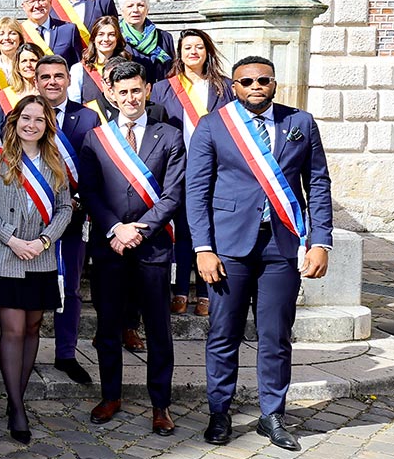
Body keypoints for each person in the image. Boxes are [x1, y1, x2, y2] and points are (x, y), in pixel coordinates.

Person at [189, 56, 333, 452]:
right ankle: (220, 412)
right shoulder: (213, 125)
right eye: (247, 81)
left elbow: (318, 183)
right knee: (224, 334)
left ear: (274, 83)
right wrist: (203, 248)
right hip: (228, 247)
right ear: (234, 87)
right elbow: (196, 191)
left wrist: (320, 241)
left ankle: (272, 415)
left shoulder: (300, 123)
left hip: (281, 245)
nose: (256, 86)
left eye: (263, 80)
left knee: (276, 336)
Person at [77, 59, 184, 436]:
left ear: (147, 90)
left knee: (158, 330)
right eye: (122, 92)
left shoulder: (169, 136)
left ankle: (161, 404)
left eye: (136, 90)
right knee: (108, 326)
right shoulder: (96, 138)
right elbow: (89, 191)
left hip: (153, 248)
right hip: (110, 246)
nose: (130, 98)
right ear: (111, 94)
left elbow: (174, 194)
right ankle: (111, 396)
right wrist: (116, 228)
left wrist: (141, 230)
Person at [0, 95, 72, 445]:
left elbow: (65, 209)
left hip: (40, 257)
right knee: (13, 329)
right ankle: (17, 408)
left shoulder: (55, 161)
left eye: (39, 120)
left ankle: (18, 392)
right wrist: (12, 240)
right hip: (5, 256)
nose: (32, 125)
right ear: (14, 122)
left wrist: (44, 241)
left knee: (32, 327)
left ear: (47, 126)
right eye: (26, 118)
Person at [152, 29, 234, 317]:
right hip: (178, 168)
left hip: (214, 168)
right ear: (180, 53)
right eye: (187, 47)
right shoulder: (163, 88)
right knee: (184, 230)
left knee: (209, 227)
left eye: (199, 47)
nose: (193, 52)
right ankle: (180, 290)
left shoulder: (225, 87)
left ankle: (205, 292)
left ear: (207, 51)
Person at [33, 54, 102, 387]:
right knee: (29, 287)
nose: (52, 82)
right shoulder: (25, 115)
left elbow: (94, 166)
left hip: (73, 215)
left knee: (70, 288)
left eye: (58, 76)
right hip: (31, 220)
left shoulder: (87, 117)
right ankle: (26, 352)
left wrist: (78, 200)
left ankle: (66, 354)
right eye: (45, 76)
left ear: (68, 79)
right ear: (35, 81)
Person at [68, 16, 127, 122]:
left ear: (118, 39)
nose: (106, 39)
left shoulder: (128, 67)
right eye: (101, 34)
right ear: (93, 39)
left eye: (111, 34)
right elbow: (74, 105)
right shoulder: (78, 69)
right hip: (91, 125)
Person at [118, 0, 174, 84]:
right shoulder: (116, 37)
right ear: (122, 11)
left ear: (147, 10)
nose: (135, 10)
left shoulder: (164, 38)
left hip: (159, 91)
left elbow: (173, 70)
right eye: (130, 6)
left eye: (141, 5)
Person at [19, 0, 80, 65]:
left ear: (50, 1)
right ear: (23, 6)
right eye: (31, 1)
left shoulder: (68, 30)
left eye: (41, 0)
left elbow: (77, 65)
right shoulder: (19, 32)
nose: (37, 5)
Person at [0, 43, 44, 127]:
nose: (28, 65)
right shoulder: (3, 97)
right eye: (24, 61)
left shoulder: (49, 95)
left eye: (33, 60)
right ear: (17, 66)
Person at [0, 16, 25, 95]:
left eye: (12, 33)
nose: (6, 37)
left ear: (20, 39)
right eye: (1, 34)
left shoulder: (28, 66)